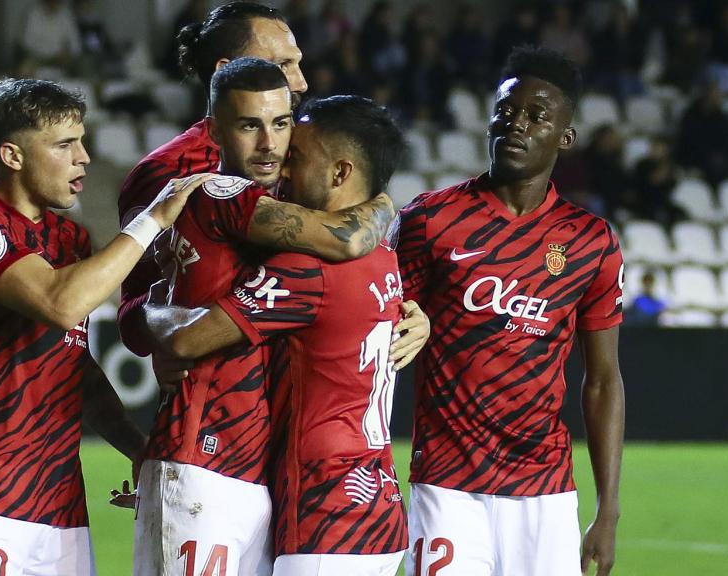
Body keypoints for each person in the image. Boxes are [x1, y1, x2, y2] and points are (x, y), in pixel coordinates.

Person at [0, 78, 209, 576]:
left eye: (82, 141)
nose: (84, 157)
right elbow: (59, 303)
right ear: (12, 155)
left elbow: (74, 368)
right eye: (65, 144)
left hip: (59, 504)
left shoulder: (69, 237)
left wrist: (139, 450)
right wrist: (151, 221)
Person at [126, 57, 396, 576]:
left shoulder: (275, 210)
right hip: (202, 456)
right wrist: (382, 199)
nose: (270, 144)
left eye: (281, 123)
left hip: (254, 467)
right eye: (250, 125)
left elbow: (143, 313)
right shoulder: (219, 193)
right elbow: (346, 238)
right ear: (214, 131)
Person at [396, 46, 625, 576]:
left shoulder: (590, 242)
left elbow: (603, 380)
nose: (515, 124)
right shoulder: (431, 220)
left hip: (544, 492)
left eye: (537, 116)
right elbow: (378, 329)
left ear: (565, 137)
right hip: (446, 485)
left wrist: (607, 510)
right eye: (506, 111)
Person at [117, 1, 308, 358]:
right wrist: (171, 338)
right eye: (283, 65)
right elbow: (133, 314)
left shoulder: (304, 151)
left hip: (296, 392)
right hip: (221, 396)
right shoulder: (166, 172)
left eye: (297, 63)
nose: (301, 81)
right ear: (229, 69)